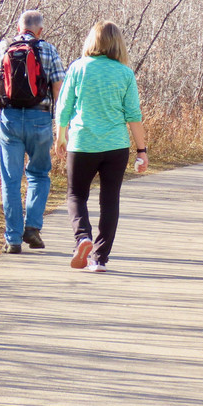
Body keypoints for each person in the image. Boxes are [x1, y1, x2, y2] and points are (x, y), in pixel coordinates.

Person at [55, 21, 147, 272]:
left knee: (76, 195)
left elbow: (64, 107)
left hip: (82, 143)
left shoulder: (78, 68)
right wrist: (141, 150)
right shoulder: (125, 73)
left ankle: (82, 237)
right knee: (109, 200)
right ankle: (99, 258)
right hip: (115, 146)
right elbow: (133, 115)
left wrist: (60, 136)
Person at [0, 9, 66, 254]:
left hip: (9, 119)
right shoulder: (48, 50)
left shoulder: (0, 48)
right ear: (40, 30)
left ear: (18, 28)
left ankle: (13, 239)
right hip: (40, 119)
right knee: (39, 174)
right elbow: (59, 89)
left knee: (10, 179)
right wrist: (61, 127)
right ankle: (32, 228)